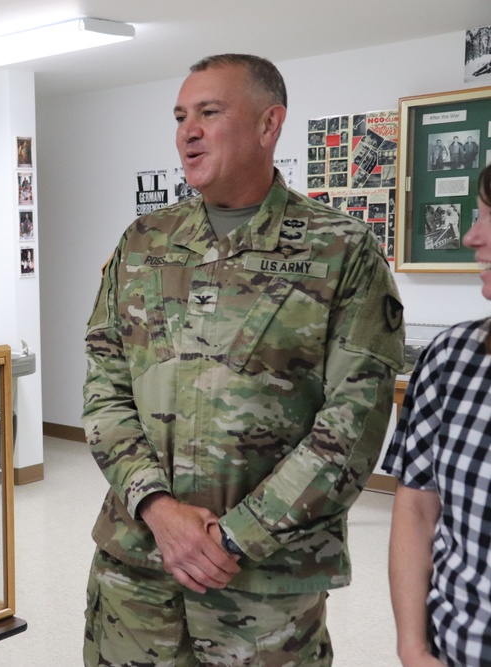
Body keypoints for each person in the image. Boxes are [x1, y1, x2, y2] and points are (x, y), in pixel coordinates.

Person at [82, 53, 404, 666]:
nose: (188, 131)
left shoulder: (341, 250)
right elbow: (104, 385)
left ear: (268, 124)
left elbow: (353, 424)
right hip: (137, 572)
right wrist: (159, 509)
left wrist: (232, 537)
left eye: (209, 112)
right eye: (180, 116)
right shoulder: (144, 243)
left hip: (264, 589)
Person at [384, 164, 491, 667]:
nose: (472, 236)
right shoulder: (451, 357)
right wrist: (412, 646)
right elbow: (415, 508)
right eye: (476, 215)